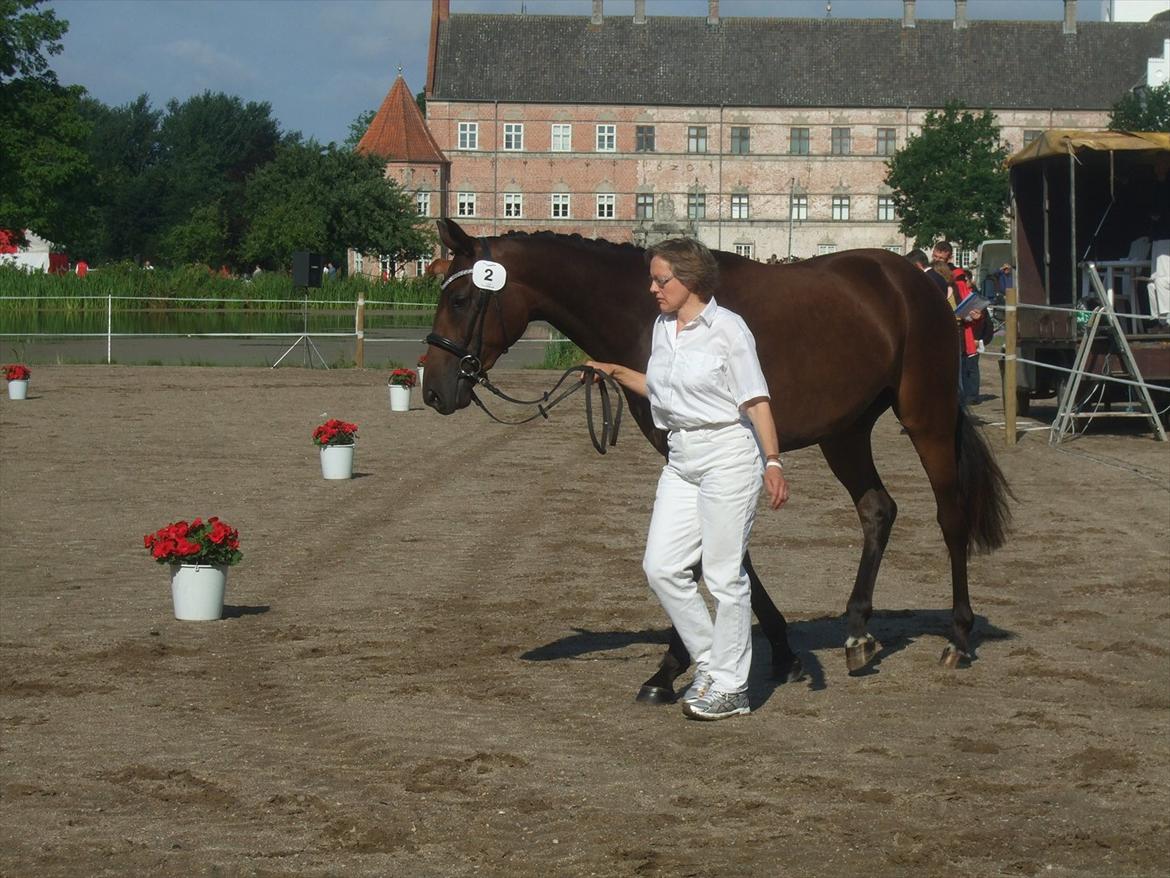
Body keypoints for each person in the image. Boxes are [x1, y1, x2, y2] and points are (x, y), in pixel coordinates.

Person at [584, 238, 788, 721]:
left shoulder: (729, 329)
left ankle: (732, 688)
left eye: (661, 280)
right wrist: (612, 370)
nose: (652, 288)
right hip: (681, 457)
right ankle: (714, 664)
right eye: (652, 279)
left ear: (690, 280)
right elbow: (659, 387)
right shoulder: (663, 328)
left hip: (728, 455)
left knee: (723, 575)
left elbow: (756, 400)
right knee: (661, 567)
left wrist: (774, 461)